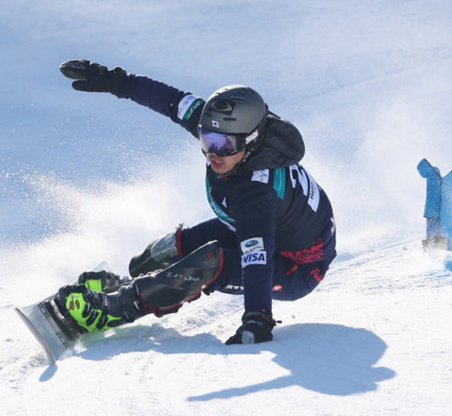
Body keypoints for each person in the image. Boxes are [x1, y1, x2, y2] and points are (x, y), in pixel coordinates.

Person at [55, 60, 337, 345]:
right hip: (269, 227)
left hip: (295, 267)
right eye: (207, 139)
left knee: (207, 264)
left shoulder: (254, 195)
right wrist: (115, 81)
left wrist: (257, 318)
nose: (213, 153)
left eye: (224, 146)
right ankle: (130, 286)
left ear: (250, 143)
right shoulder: (226, 127)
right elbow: (169, 100)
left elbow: (257, 260)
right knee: (160, 253)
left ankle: (118, 309)